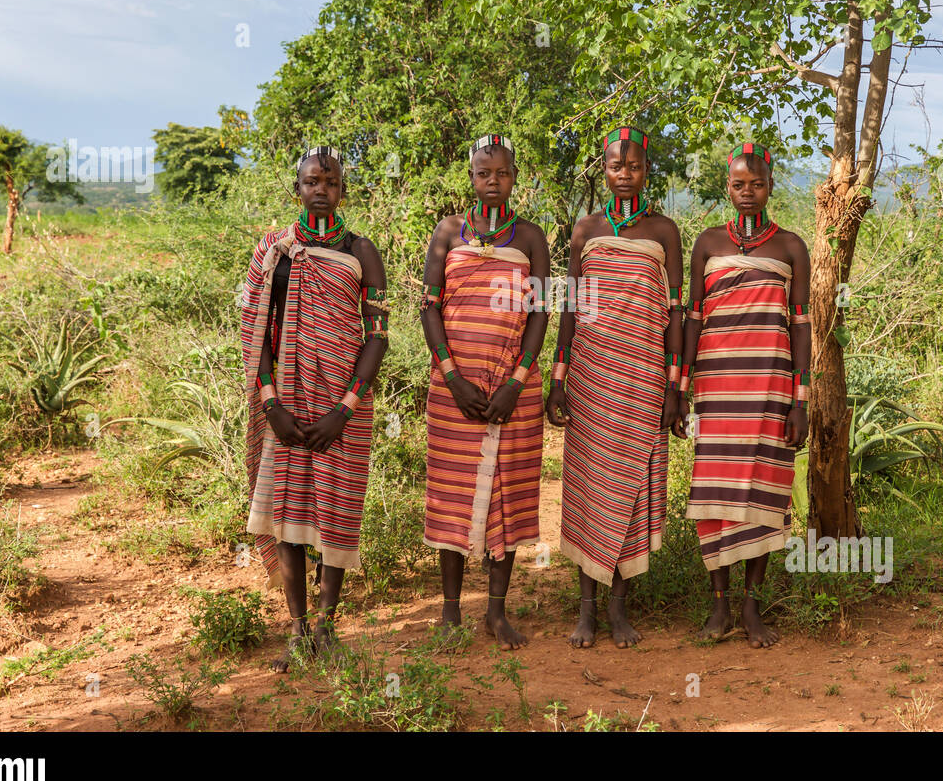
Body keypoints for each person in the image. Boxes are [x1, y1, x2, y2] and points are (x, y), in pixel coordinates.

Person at [241, 146, 389, 671]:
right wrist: (271, 404)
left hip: (343, 404)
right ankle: (297, 629)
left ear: (342, 189)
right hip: (285, 399)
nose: (320, 188)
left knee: (336, 511)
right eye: (310, 181)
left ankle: (327, 627)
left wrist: (345, 408)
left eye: (330, 181)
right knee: (288, 515)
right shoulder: (275, 251)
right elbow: (255, 328)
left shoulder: (362, 250)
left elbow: (377, 337)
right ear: (297, 189)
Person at [549, 126, 684, 649]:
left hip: (645, 375)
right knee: (590, 486)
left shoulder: (665, 231)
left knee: (631, 484)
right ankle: (586, 608)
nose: (624, 174)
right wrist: (557, 379)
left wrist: (676, 387)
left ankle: (619, 606)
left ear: (646, 170)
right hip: (591, 374)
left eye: (633, 167)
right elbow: (568, 306)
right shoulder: (585, 229)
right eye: (614, 167)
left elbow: (676, 313)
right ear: (603, 171)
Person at [678, 142, 810, 648]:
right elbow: (692, 317)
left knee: (763, 492)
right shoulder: (707, 243)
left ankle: (752, 607)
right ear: (726, 188)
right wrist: (681, 389)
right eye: (738, 184)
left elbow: (801, 325)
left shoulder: (791, 246)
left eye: (756, 183)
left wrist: (800, 400)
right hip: (716, 389)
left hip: (770, 388)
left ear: (771, 185)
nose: (747, 192)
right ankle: (719, 607)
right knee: (715, 493)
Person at [420, 134, 549, 649]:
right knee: (450, 492)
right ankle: (450, 613)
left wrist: (517, 382)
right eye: (482, 173)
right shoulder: (448, 232)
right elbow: (430, 307)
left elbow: (540, 312)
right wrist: (452, 376)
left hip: (514, 388)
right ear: (469, 177)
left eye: (502, 174)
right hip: (453, 388)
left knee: (511, 492)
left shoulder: (532, 237)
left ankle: (496, 613)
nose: (492, 182)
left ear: (514, 177)